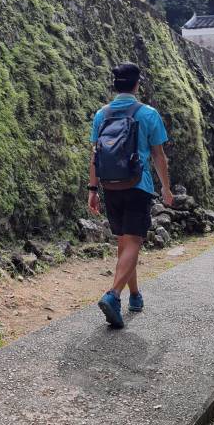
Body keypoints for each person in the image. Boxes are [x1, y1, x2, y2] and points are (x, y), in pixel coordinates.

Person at [87, 62, 173, 329]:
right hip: (138, 186)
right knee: (134, 241)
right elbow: (159, 156)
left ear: (115, 85)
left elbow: (95, 154)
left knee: (125, 244)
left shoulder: (101, 115)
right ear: (137, 84)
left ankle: (134, 295)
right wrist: (166, 188)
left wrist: (92, 190)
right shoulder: (148, 114)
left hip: (110, 186)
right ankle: (113, 295)